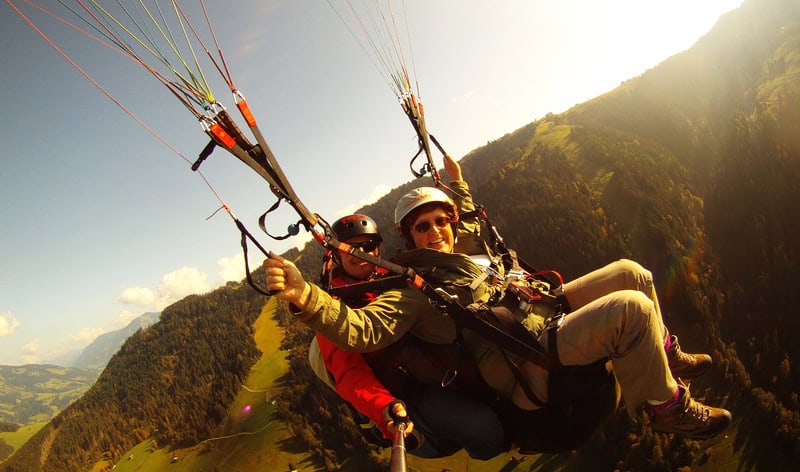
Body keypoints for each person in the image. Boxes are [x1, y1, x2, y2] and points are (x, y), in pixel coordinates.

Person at [264, 153, 732, 444]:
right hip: (526, 356)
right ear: (408, 238)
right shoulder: (412, 289)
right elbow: (362, 330)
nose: (435, 231)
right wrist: (306, 295)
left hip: (542, 311)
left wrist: (457, 181)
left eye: (439, 221)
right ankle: (668, 409)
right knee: (632, 311)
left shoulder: (459, 246)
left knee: (633, 273)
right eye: (421, 226)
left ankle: (666, 355)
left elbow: (466, 218)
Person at [309, 213, 505, 459]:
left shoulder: (395, 275)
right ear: (336, 256)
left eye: (368, 245)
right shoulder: (334, 310)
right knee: (485, 427)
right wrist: (383, 406)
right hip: (406, 392)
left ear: (377, 247)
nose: (361, 254)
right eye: (351, 249)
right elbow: (349, 373)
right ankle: (492, 448)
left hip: (437, 361)